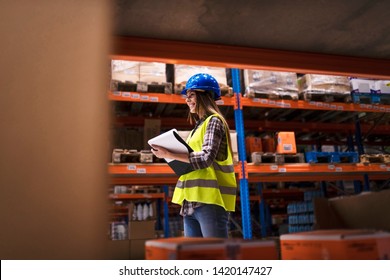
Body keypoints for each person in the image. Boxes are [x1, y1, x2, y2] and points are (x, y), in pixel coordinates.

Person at [151, 73, 237, 238]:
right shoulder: (197, 128)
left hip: (210, 202)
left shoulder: (214, 121)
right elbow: (192, 161)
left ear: (205, 96)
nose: (187, 100)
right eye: (187, 96)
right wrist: (170, 156)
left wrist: (169, 153)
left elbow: (205, 159)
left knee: (216, 255)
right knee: (194, 256)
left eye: (191, 95)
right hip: (190, 202)